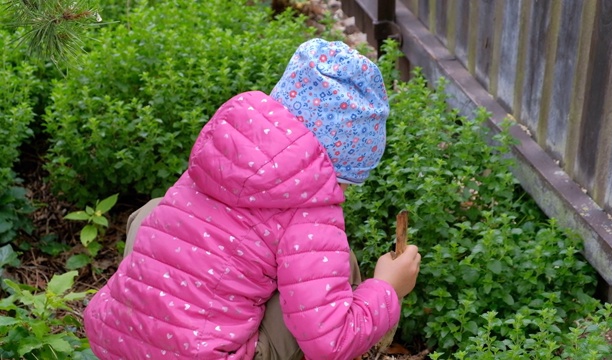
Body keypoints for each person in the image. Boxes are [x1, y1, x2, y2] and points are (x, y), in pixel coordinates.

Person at [84, 38, 422, 360]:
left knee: (157, 212)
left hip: (115, 341)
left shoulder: (219, 156)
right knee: (335, 264)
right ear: (334, 168)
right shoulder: (312, 213)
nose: (343, 195)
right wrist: (387, 288)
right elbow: (329, 342)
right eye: (347, 183)